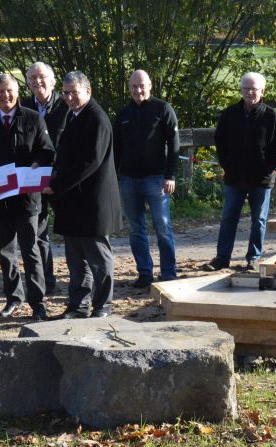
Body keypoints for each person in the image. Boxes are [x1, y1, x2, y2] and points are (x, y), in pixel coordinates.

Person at [0, 74, 55, 321]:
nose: (5, 96)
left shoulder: (33, 118)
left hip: (27, 198)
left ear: (17, 91)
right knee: (6, 252)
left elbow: (47, 150)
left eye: (9, 91)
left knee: (31, 251)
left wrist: (38, 164)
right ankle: (13, 298)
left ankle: (38, 302)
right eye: (0, 93)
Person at [43, 71, 122, 318]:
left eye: (74, 92)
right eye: (65, 93)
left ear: (87, 91)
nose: (69, 97)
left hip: (91, 202)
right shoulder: (74, 115)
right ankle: (78, 305)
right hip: (73, 202)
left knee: (98, 258)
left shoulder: (96, 118)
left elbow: (90, 161)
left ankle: (103, 305)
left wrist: (57, 184)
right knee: (76, 260)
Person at [203, 72, 276, 272]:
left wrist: (268, 168)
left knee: (258, 219)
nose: (249, 92)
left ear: (262, 91)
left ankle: (254, 258)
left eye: (254, 89)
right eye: (246, 89)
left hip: (261, 179)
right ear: (241, 91)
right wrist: (227, 163)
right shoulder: (230, 114)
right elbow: (220, 140)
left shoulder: (272, 116)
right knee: (228, 218)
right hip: (235, 177)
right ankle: (222, 258)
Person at [114, 69, 179, 288]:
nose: (138, 90)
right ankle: (145, 272)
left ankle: (169, 273)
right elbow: (116, 148)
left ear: (150, 85)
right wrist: (115, 177)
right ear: (129, 87)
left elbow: (174, 146)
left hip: (157, 179)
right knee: (136, 229)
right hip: (128, 180)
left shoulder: (162, 109)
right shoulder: (123, 114)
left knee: (162, 227)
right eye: (133, 86)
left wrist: (171, 175)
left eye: (141, 85)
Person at [21, 61, 70, 296]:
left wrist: (58, 177)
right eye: (32, 78)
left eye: (42, 77)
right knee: (38, 234)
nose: (37, 82)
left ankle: (79, 281)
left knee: (73, 232)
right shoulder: (24, 107)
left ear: (52, 80)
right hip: (35, 180)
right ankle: (46, 282)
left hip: (63, 179)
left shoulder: (67, 105)